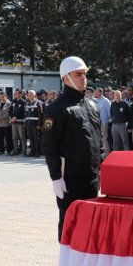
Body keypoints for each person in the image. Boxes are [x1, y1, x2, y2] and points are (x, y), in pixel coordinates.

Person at [41, 57, 102, 242]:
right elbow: (49, 145)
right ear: (66, 78)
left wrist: (103, 168)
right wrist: (56, 178)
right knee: (70, 223)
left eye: (84, 74)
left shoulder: (92, 105)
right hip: (69, 179)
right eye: (78, 74)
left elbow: (99, 142)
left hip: (91, 176)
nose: (84, 78)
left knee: (90, 224)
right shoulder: (56, 109)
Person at [25, 90, 43, 157]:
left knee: (36, 139)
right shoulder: (28, 103)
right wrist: (26, 123)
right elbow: (26, 114)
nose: (29, 96)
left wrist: (39, 124)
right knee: (31, 138)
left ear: (34, 95)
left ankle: (37, 152)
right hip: (29, 124)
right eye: (28, 95)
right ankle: (32, 151)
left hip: (35, 124)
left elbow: (40, 115)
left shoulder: (38, 103)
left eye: (30, 95)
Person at [10, 89, 27, 155]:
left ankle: (24, 151)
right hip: (13, 122)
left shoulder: (23, 102)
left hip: (20, 122)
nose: (15, 95)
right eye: (15, 93)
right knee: (14, 137)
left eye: (16, 93)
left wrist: (16, 117)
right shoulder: (13, 101)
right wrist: (12, 117)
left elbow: (23, 111)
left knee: (22, 137)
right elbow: (10, 111)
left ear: (20, 94)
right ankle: (16, 150)